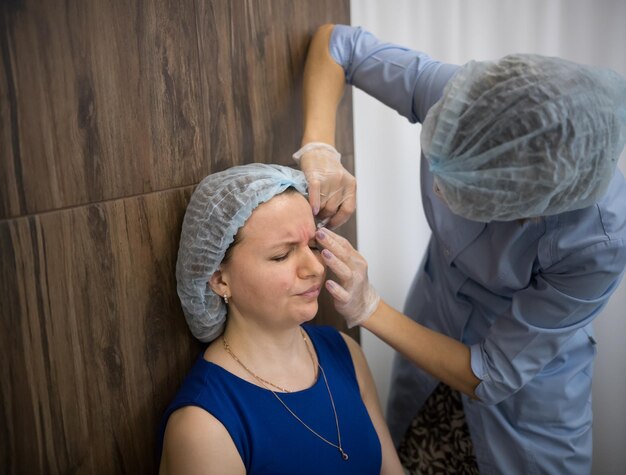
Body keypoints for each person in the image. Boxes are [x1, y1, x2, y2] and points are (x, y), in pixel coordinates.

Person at [296, 24, 626, 474]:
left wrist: (369, 308)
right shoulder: (466, 104)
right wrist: (319, 148)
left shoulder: (598, 240)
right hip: (433, 326)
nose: (435, 188)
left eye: (464, 191)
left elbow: (491, 371)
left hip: (525, 397)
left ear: (534, 209)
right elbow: (337, 44)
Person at [158, 163, 404, 474]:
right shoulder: (203, 426)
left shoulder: (345, 352)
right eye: (281, 256)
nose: (314, 268)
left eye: (314, 246)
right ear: (220, 280)